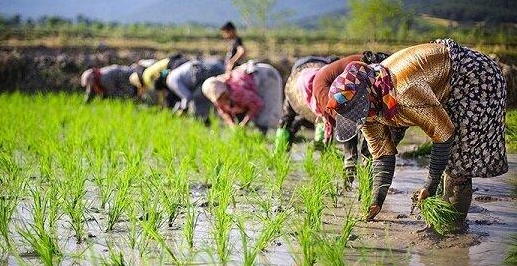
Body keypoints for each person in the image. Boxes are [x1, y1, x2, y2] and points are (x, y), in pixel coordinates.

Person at [327, 39, 508, 227]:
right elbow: (382, 155)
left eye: (360, 111)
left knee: (458, 160)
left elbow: (444, 135)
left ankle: (453, 226)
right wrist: (376, 201)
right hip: (438, 86)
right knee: (446, 159)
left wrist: (429, 184)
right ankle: (441, 210)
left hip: (475, 77)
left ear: (368, 97)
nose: (363, 117)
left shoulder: (404, 92)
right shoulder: (368, 109)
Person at [275, 52, 391, 185]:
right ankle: (350, 163)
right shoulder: (353, 72)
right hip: (325, 84)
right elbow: (347, 118)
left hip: (332, 78)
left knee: (363, 121)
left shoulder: (377, 72)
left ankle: (363, 164)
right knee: (346, 119)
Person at [202, 62, 282, 133]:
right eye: (218, 98)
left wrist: (244, 123)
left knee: (266, 117)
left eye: (222, 94)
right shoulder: (218, 101)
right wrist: (233, 126)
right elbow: (224, 113)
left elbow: (257, 104)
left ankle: (269, 137)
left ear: (224, 88)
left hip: (266, 76)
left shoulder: (236, 90)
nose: (221, 98)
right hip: (253, 79)